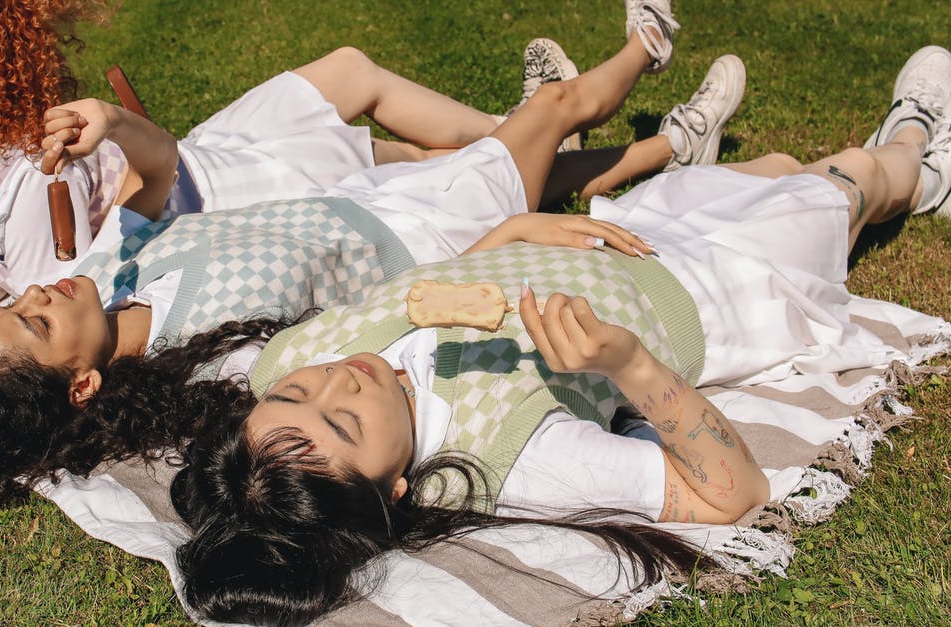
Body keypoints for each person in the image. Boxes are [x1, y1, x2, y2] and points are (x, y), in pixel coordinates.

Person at [160, 46, 951, 624]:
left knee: (777, 163)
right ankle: (916, 145)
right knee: (849, 183)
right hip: (719, 292)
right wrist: (627, 362)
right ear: (392, 490)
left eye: (301, 392)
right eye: (344, 421)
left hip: (618, 234)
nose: (341, 379)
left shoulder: (285, 363)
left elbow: (405, 304)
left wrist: (503, 239)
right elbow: (731, 493)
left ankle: (852, 173)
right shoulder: (515, 453)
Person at [0, 2, 707, 511]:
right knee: (554, 108)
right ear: (80, 383)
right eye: (38, 320)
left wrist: (112, 127)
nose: (40, 289)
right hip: (425, 237)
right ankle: (651, 42)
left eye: (19, 299)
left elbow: (159, 170)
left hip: (364, 200)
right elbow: (378, 334)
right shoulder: (216, 367)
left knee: (538, 147)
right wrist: (492, 251)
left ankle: (669, 145)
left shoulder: (118, 268)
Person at [0, 0, 728, 322]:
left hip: (194, 169)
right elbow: (146, 183)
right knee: (407, 159)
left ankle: (534, 130)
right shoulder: (42, 124)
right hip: (204, 204)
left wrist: (16, 297)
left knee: (354, 80)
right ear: (1, 43)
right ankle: (629, 131)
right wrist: (116, 146)